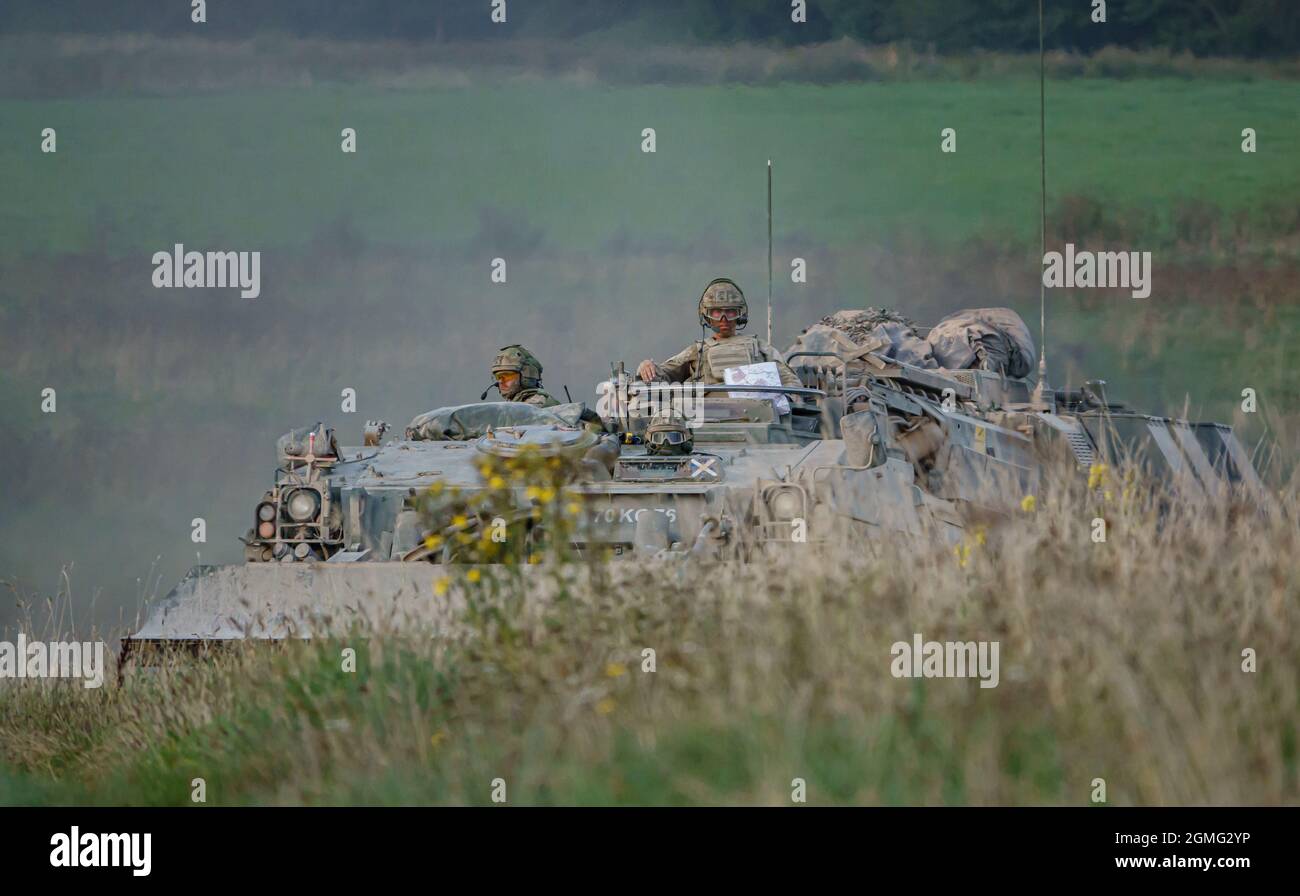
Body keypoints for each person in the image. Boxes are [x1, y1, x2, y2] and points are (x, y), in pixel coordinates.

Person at [636, 278, 801, 389]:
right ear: (706, 315)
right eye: (716, 312)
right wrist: (647, 367)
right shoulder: (698, 351)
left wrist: (789, 402)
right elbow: (664, 374)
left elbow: (789, 380)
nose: (724, 318)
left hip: (757, 419)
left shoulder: (760, 347)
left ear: (740, 314)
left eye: (730, 312)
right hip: (705, 419)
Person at [489, 344, 559, 407]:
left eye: (507, 376)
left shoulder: (536, 404)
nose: (501, 381)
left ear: (526, 375)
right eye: (498, 377)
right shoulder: (515, 405)